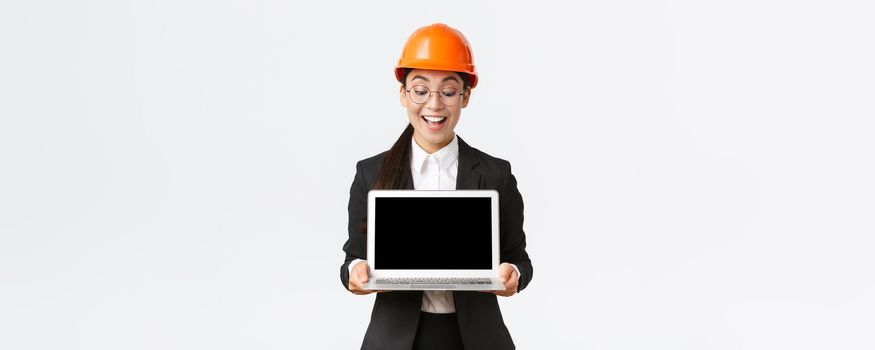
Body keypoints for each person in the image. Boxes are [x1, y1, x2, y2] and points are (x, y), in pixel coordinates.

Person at [339, 23, 534, 350]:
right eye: (420, 90)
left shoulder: (496, 174)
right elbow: (353, 259)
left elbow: (519, 260)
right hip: (396, 338)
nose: (434, 104)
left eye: (448, 91)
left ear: (465, 97)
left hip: (475, 339)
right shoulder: (370, 173)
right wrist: (357, 273)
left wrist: (512, 273)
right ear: (403, 94)